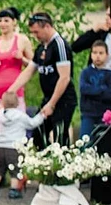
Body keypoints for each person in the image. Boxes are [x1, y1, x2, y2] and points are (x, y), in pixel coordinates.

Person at [6, 12, 78, 148]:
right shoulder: (41, 48)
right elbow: (29, 71)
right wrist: (10, 91)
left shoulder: (59, 45)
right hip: (48, 98)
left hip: (63, 100)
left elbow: (64, 77)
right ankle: (42, 166)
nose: (35, 36)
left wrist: (52, 104)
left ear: (47, 27)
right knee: (38, 135)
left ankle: (62, 166)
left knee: (59, 136)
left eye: (37, 32)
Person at [0, 7, 33, 190]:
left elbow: (34, 65)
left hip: (15, 95)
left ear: (14, 22)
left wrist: (23, 59)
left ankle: (20, 175)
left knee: (18, 135)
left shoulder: (22, 40)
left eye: (6, 20)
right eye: (0, 20)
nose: (3, 24)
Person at [0, 91, 45, 199]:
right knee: (15, 169)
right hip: (14, 146)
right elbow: (32, 123)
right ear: (17, 103)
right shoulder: (20, 116)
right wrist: (42, 115)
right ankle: (13, 190)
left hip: (1, 146)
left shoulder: (0, 114)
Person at [78, 40, 111, 138]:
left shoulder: (109, 75)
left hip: (106, 115)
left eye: (101, 53)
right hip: (88, 114)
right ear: (91, 54)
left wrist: (93, 91)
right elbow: (84, 89)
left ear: (107, 55)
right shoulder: (85, 73)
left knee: (104, 144)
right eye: (95, 52)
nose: (97, 56)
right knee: (85, 142)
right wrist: (102, 90)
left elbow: (109, 94)